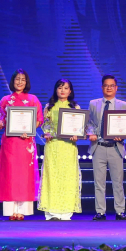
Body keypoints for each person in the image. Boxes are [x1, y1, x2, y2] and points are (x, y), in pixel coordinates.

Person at [0, 69, 44, 221]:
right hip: (10, 143)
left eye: (23, 79)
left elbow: (39, 119)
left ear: (26, 82)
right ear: (13, 81)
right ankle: (11, 211)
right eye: (17, 79)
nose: (20, 82)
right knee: (9, 174)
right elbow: (0, 122)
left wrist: (29, 131)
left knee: (24, 176)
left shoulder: (33, 99)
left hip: (25, 143)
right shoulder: (5, 100)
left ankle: (22, 211)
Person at [38, 79, 82, 220]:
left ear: (70, 91)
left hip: (68, 147)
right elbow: (44, 126)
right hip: (53, 146)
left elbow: (80, 128)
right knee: (52, 177)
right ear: (56, 90)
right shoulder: (49, 107)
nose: (62, 90)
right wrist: (46, 133)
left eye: (66, 88)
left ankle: (66, 211)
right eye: (60, 88)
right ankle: (51, 211)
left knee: (68, 177)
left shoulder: (75, 107)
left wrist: (77, 135)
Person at [86, 74, 126, 221]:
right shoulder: (93, 103)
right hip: (98, 146)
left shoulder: (123, 105)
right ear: (102, 87)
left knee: (118, 182)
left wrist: (122, 135)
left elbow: (125, 125)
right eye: (106, 85)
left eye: (112, 85)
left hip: (115, 147)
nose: (109, 88)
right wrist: (90, 133)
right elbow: (89, 123)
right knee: (99, 182)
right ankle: (100, 212)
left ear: (116, 88)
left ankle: (120, 211)